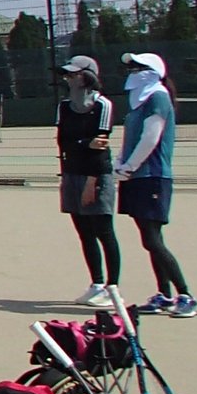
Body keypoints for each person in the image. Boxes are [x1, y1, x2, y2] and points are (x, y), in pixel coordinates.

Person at [116, 52, 196, 317]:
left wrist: (130, 166)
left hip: (153, 176)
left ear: (151, 71)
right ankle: (164, 294)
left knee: (152, 239)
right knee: (150, 240)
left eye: (137, 68)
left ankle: (186, 296)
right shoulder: (139, 103)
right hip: (137, 177)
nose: (132, 72)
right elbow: (131, 138)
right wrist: (121, 162)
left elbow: (151, 138)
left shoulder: (158, 97)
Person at [55, 56, 120, 308]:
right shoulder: (63, 107)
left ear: (88, 76)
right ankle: (96, 283)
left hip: (97, 174)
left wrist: (92, 181)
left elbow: (100, 145)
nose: (69, 79)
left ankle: (112, 288)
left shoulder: (103, 106)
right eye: (68, 75)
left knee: (104, 231)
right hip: (72, 173)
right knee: (84, 233)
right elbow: (64, 143)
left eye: (74, 74)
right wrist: (84, 144)